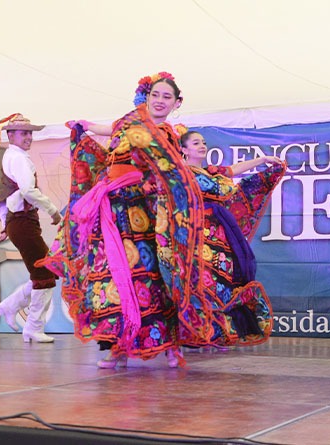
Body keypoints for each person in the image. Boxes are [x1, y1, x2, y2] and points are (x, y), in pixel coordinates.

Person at [42, 72, 209, 369]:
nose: (159, 101)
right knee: (114, 279)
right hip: (111, 208)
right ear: (147, 96)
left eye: (166, 97)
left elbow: (170, 175)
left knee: (152, 277)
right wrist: (83, 126)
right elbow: (106, 129)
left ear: (176, 103)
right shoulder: (128, 122)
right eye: (155, 95)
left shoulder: (168, 135)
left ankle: (170, 345)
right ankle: (118, 346)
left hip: (144, 212)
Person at [178, 130, 285, 348]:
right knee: (199, 280)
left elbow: (233, 170)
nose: (202, 146)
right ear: (183, 149)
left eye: (204, 142)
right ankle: (194, 332)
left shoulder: (210, 172)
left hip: (220, 233)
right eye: (196, 143)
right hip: (195, 233)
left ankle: (215, 333)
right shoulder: (179, 173)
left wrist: (263, 160)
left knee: (222, 280)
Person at [0, 113, 62, 343]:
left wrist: (5, 224)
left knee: (44, 271)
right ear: (11, 136)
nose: (28, 137)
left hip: (21, 221)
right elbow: (28, 190)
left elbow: (5, 197)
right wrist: (52, 210)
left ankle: (10, 306)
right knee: (44, 273)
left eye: (30, 133)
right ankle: (32, 327)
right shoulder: (17, 158)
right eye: (23, 133)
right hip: (22, 221)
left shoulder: (13, 156)